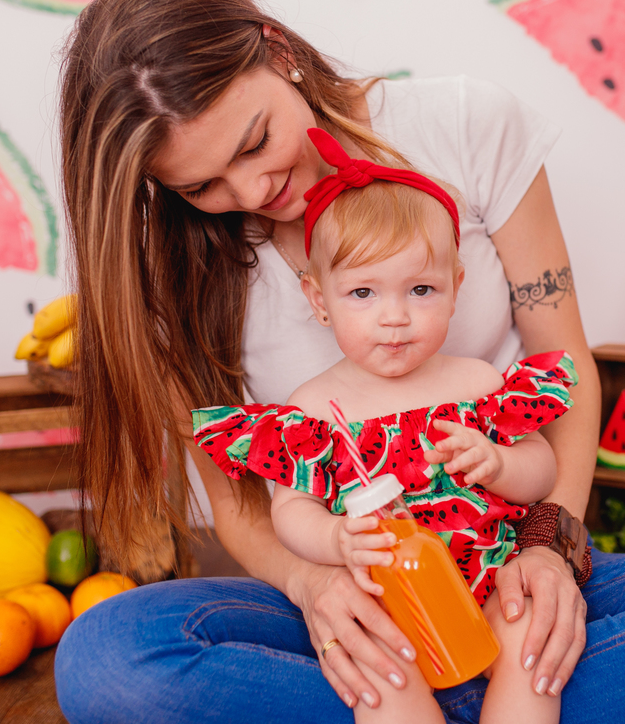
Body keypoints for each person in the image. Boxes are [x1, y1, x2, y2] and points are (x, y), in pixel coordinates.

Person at [53, 0, 625, 724]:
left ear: (280, 51)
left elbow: (564, 370)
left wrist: (548, 551)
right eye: (201, 186)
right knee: (106, 658)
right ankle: (486, 699)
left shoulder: (467, 125)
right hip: (360, 596)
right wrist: (314, 584)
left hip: (506, 560)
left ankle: (499, 684)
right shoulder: (165, 266)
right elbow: (238, 504)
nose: (252, 192)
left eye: (255, 141)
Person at [192, 127, 579, 722]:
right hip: (387, 601)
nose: (394, 317)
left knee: (530, 640)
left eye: (421, 289)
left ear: (456, 288)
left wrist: (501, 462)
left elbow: (542, 470)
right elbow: (291, 510)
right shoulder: (313, 409)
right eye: (363, 293)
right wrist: (334, 540)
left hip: (492, 581)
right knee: (380, 677)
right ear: (319, 300)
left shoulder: (476, 384)